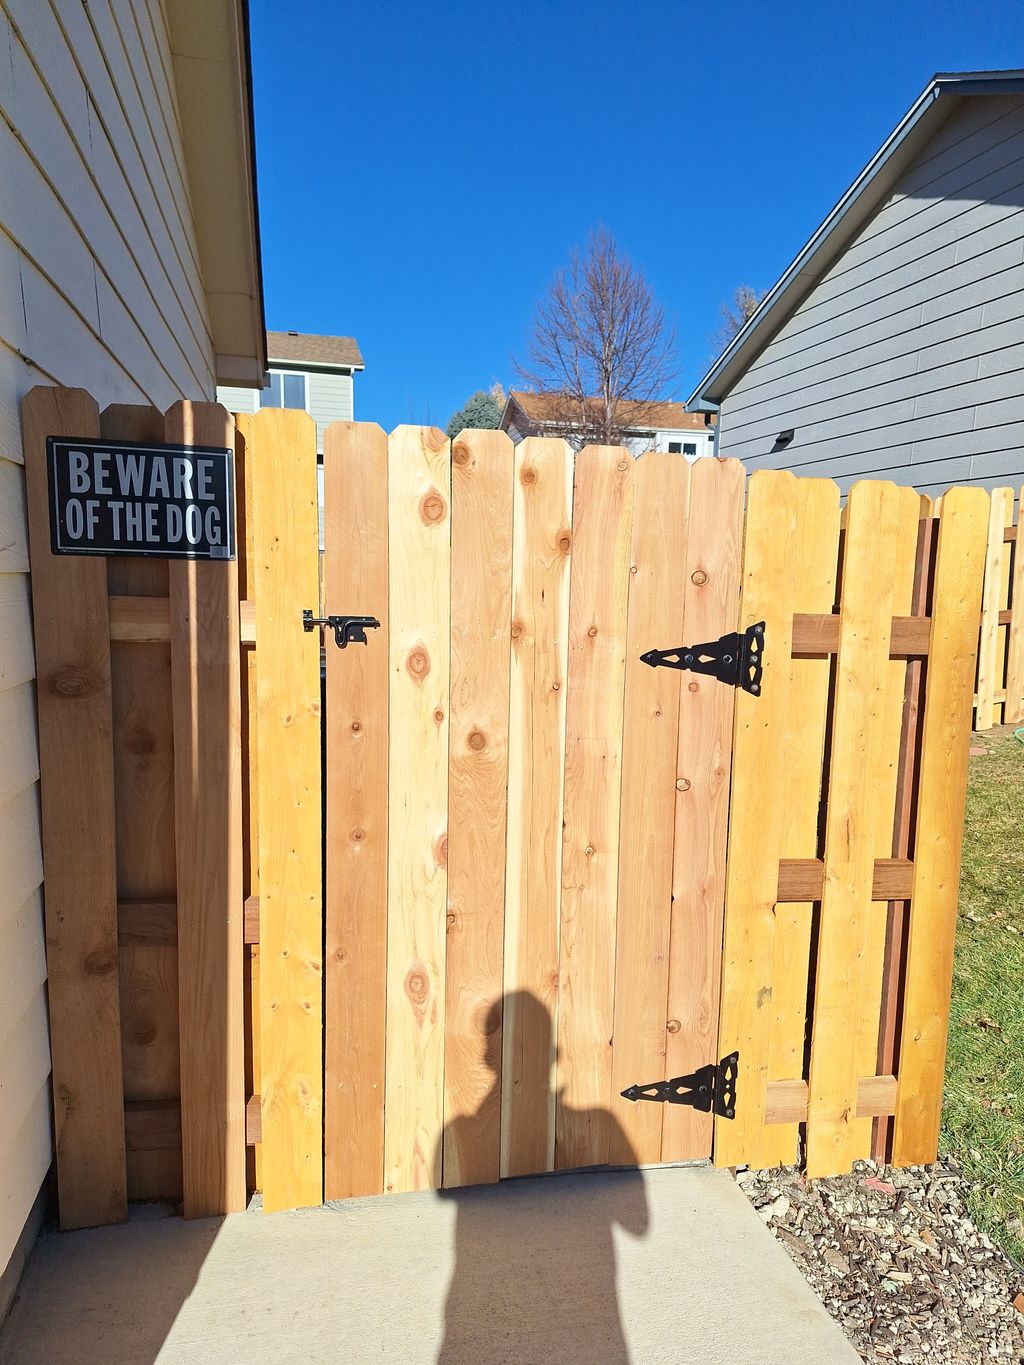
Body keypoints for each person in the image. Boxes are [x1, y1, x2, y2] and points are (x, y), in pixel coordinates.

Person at [436, 990, 648, 1363]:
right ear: (556, 1055)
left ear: (487, 1055)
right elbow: (639, 1226)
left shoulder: (452, 1129)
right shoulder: (604, 1119)